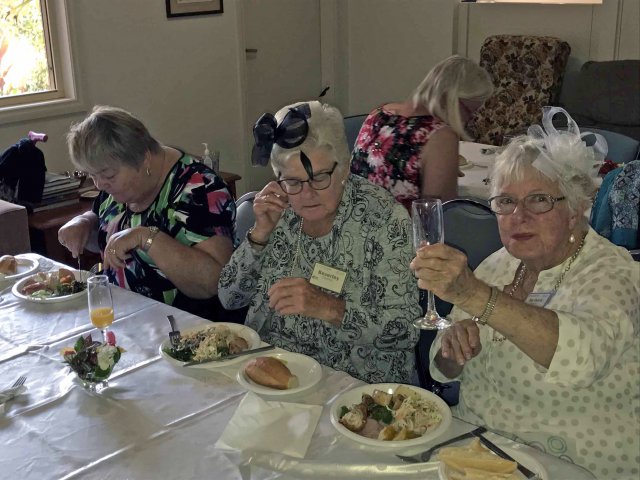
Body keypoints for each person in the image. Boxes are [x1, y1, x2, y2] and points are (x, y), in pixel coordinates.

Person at [411, 107, 639, 479]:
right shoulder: (498, 264)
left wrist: (473, 294)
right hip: (479, 453)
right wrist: (453, 351)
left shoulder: (612, 273)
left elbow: (580, 359)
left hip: (571, 463)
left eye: (538, 200)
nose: (519, 216)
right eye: (506, 202)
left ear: (575, 208)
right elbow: (443, 368)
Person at [218, 101, 420, 384]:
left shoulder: (384, 219)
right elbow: (230, 299)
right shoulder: (278, 211)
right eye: (293, 182)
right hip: (272, 370)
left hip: (354, 383)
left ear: (344, 168)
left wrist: (329, 307)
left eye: (320, 178)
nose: (307, 194)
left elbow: (406, 331)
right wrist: (259, 235)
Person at [58, 106, 236, 319]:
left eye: (108, 175)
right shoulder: (118, 184)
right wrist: (85, 222)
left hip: (183, 328)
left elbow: (215, 283)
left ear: (144, 159)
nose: (99, 184)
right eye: (92, 175)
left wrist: (148, 238)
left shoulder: (199, 189)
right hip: (121, 317)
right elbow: (109, 231)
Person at [350, 55, 493, 210]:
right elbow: (442, 213)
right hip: (399, 225)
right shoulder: (439, 136)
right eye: (470, 111)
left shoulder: (379, 113)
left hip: (351, 219)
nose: (469, 120)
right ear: (453, 100)